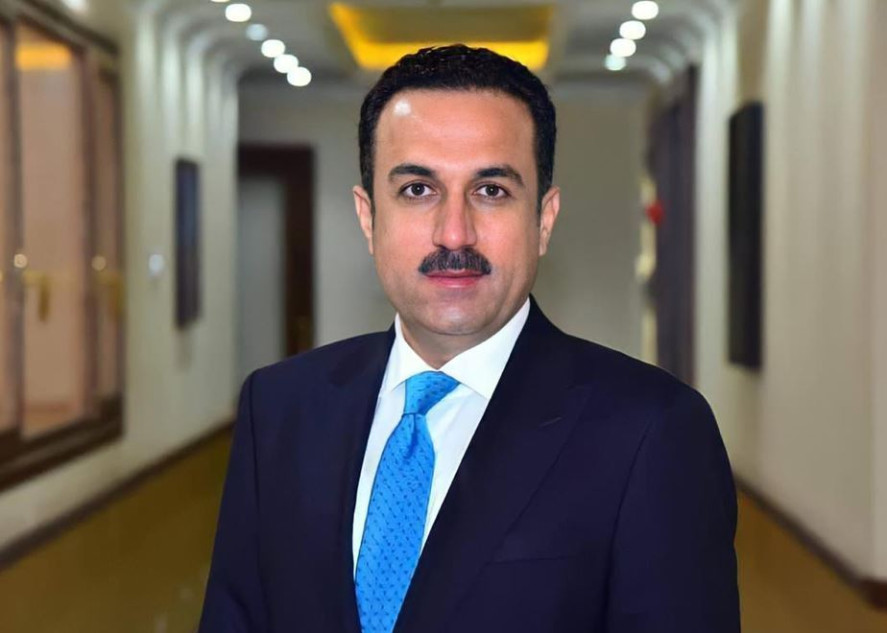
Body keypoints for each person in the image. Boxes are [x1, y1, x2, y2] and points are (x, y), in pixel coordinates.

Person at [199, 45, 739, 633]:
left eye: (491, 191)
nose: (454, 233)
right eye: (417, 190)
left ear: (544, 219)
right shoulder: (279, 408)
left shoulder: (652, 431)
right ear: (368, 217)